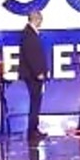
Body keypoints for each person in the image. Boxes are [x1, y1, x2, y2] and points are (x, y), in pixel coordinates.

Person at [18, 11, 47, 139]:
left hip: (33, 74)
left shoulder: (31, 32)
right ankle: (32, 131)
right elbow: (31, 55)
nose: (41, 22)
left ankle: (34, 129)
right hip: (32, 75)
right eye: (40, 19)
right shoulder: (28, 33)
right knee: (35, 102)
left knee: (36, 101)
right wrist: (38, 72)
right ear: (35, 19)